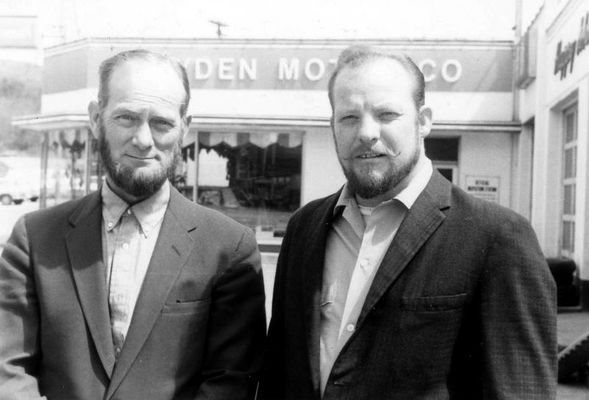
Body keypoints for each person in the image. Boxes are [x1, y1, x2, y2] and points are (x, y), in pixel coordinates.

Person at [259, 45, 557, 400]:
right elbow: (278, 373)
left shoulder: (497, 237)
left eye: (386, 114)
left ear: (424, 120)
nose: (366, 132)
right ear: (333, 126)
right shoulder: (304, 228)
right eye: (349, 118)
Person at [0, 49, 266, 400]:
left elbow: (229, 383)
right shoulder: (34, 239)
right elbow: (9, 370)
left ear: (184, 129)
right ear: (96, 118)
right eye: (127, 118)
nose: (143, 139)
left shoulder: (229, 249)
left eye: (162, 123)